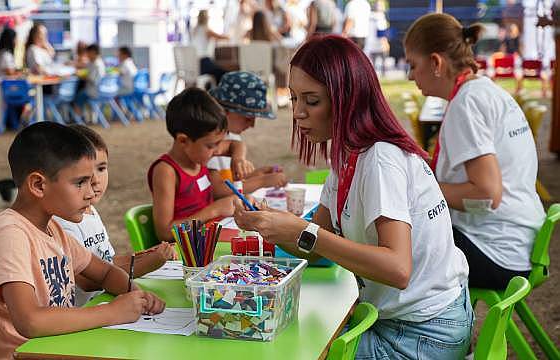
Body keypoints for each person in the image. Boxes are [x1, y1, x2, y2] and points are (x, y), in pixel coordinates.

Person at [233, 35, 471, 359]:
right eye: (293, 99)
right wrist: (270, 223)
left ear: (347, 99)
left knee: (289, 347)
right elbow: (315, 246)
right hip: (399, 321)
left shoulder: (380, 160)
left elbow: (397, 268)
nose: (299, 113)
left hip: (423, 334)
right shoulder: (348, 156)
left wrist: (304, 233)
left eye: (312, 100)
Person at [0, 122, 165, 360]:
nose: (90, 192)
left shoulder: (53, 228)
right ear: (38, 185)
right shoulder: (11, 234)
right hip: (26, 353)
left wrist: (136, 295)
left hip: (61, 344)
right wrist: (112, 312)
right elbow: (29, 321)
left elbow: (105, 273)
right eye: (79, 182)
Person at [404, 13, 545, 290]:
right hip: (518, 240)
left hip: (497, 251)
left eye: (413, 65)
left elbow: (485, 194)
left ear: (436, 63)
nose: (410, 75)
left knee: (391, 245)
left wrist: (420, 188)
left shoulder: (466, 104)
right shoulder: (483, 91)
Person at [54, 125, 177, 306]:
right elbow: (88, 281)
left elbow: (106, 261)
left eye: (101, 168)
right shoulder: (63, 222)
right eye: (82, 175)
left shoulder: (89, 211)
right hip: (83, 314)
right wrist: (147, 264)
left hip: (102, 302)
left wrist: (142, 256)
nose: (95, 180)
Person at [148, 88, 237, 242]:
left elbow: (236, 146)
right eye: (211, 146)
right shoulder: (166, 171)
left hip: (207, 239)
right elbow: (165, 232)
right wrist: (214, 210)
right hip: (186, 253)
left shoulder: (199, 161)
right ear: (183, 140)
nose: (216, 151)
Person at [206, 71, 287, 195]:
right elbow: (218, 191)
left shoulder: (231, 136)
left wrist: (258, 174)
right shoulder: (208, 139)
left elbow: (233, 182)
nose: (252, 125)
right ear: (223, 110)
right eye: (248, 118)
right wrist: (262, 181)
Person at [191, 9, 229, 84]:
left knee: (217, 71)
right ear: (207, 18)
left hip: (195, 63)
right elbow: (223, 37)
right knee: (224, 73)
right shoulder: (206, 30)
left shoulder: (195, 30)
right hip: (204, 63)